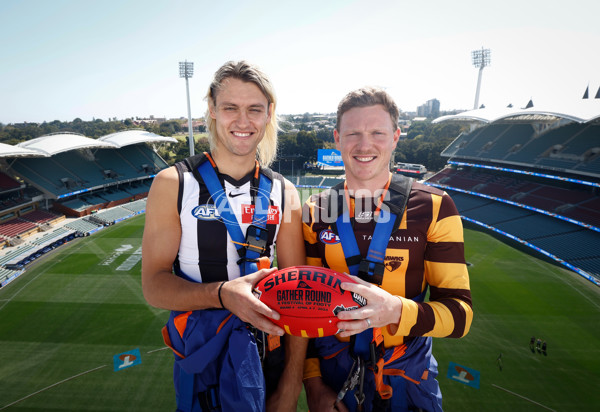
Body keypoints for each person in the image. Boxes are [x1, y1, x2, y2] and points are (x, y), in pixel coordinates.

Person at [142, 60, 306, 412]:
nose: (243, 121)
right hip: (202, 357)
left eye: (254, 109)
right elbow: (154, 286)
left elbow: (298, 295)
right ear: (213, 110)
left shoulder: (285, 191)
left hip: (267, 358)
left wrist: (291, 386)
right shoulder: (173, 184)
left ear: (269, 114)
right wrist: (221, 295)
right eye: (231, 108)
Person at [302, 87, 473, 411]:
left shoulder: (435, 206)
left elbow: (461, 315)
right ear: (337, 138)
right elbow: (306, 305)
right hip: (334, 379)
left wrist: (395, 311)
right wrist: (312, 382)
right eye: (353, 133)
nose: (364, 145)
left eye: (377, 133)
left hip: (406, 381)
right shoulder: (316, 209)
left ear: (395, 137)